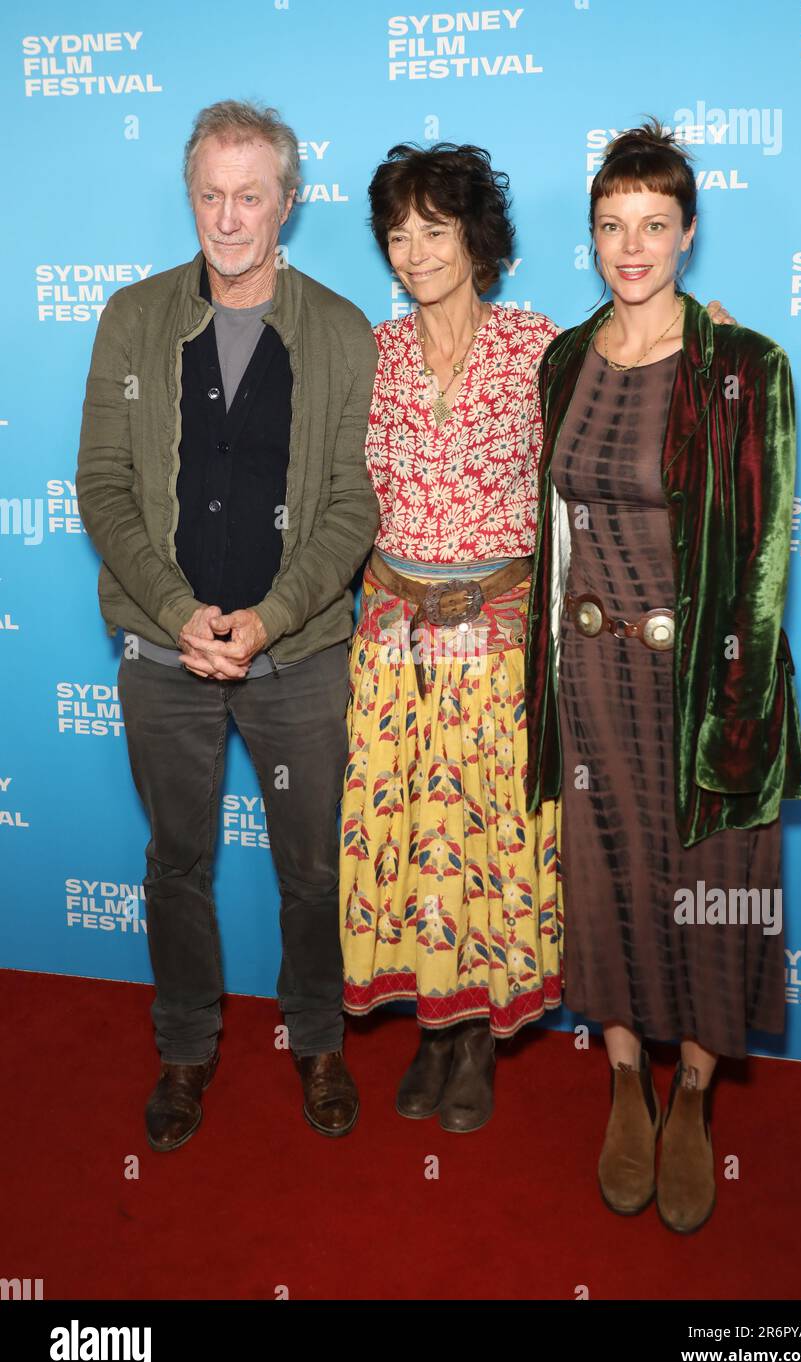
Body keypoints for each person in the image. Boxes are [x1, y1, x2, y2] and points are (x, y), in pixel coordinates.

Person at [76, 100, 379, 1151]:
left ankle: (316, 1038)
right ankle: (186, 1046)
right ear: (190, 193)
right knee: (175, 863)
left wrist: (268, 618)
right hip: (163, 655)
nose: (228, 215)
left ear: (288, 203)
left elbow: (351, 504)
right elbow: (102, 487)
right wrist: (178, 613)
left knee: (310, 867)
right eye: (210, 193)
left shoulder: (341, 330)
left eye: (251, 195)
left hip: (297, 658)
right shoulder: (133, 317)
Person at [524, 121, 801, 1231]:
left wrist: (734, 725)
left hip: (702, 691)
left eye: (652, 225)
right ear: (591, 237)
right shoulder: (563, 360)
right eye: (609, 226)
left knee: (707, 894)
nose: (628, 247)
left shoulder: (741, 366)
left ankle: (692, 1091)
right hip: (588, 682)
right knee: (605, 887)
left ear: (686, 233)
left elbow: (765, 552)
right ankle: (622, 1078)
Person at [339, 144, 563, 1133]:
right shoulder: (373, 356)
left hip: (495, 639)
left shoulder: (538, 349)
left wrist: (705, 332)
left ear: (479, 242)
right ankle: (429, 1029)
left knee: (480, 838)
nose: (414, 251)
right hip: (389, 635)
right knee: (409, 844)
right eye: (398, 233)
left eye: (435, 230)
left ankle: (473, 1039)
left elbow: (610, 439)